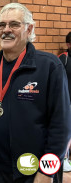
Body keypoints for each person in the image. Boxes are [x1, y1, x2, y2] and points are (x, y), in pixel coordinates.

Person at [0, 3, 71, 183]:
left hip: (35, 171)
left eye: (14, 24)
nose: (6, 30)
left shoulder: (49, 66)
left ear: (29, 29)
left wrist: (47, 171)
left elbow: (61, 125)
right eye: (1, 25)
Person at [58, 32, 71, 172]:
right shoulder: (63, 59)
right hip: (67, 102)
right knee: (67, 131)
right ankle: (64, 159)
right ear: (68, 44)